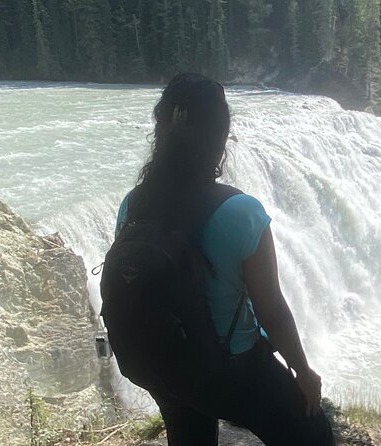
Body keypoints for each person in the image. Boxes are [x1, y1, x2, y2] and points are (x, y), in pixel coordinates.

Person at [114, 73, 335, 445]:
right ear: (219, 138)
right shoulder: (240, 212)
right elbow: (272, 311)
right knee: (313, 435)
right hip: (232, 371)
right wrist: (303, 372)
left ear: (160, 134)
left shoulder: (132, 205)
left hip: (162, 360)